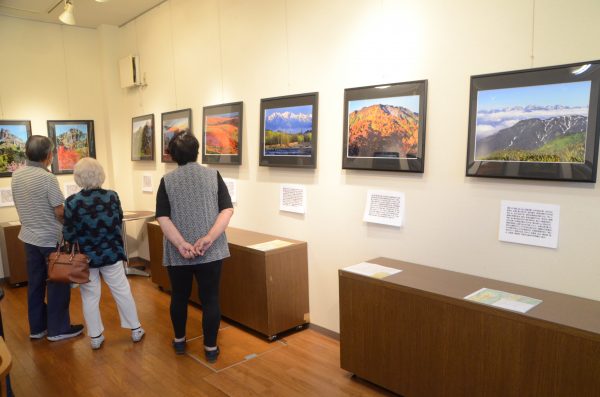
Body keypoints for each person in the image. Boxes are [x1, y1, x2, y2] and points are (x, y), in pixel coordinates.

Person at [156, 133, 233, 362]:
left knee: (179, 296)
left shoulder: (167, 181)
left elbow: (162, 217)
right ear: (197, 151)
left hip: (180, 253)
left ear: (173, 155)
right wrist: (208, 238)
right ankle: (210, 347)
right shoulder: (213, 176)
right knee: (210, 298)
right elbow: (226, 210)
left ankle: (180, 342)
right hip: (211, 251)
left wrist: (181, 244)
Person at [63, 157, 145, 350]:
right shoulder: (112, 196)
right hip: (111, 253)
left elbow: (68, 233)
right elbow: (119, 219)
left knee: (90, 296)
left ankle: (95, 336)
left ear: (78, 178)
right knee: (122, 290)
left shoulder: (72, 202)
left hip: (85, 258)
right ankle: (135, 329)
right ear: (100, 174)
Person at [11, 135, 84, 341]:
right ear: (49, 155)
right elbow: (59, 212)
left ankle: (37, 328)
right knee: (58, 283)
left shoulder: (16, 175)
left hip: (28, 237)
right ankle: (59, 329)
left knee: (35, 284)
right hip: (50, 240)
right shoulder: (48, 178)